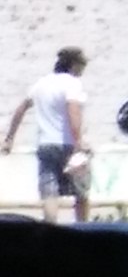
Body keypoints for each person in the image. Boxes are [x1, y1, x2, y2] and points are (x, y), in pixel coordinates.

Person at [27, 47, 91, 221]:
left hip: (45, 143)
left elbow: (21, 108)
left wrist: (10, 136)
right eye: (81, 65)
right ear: (73, 65)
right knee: (81, 191)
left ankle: (50, 230)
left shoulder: (41, 83)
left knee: (50, 191)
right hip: (69, 144)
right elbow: (73, 111)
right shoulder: (72, 83)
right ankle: (83, 229)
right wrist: (78, 142)